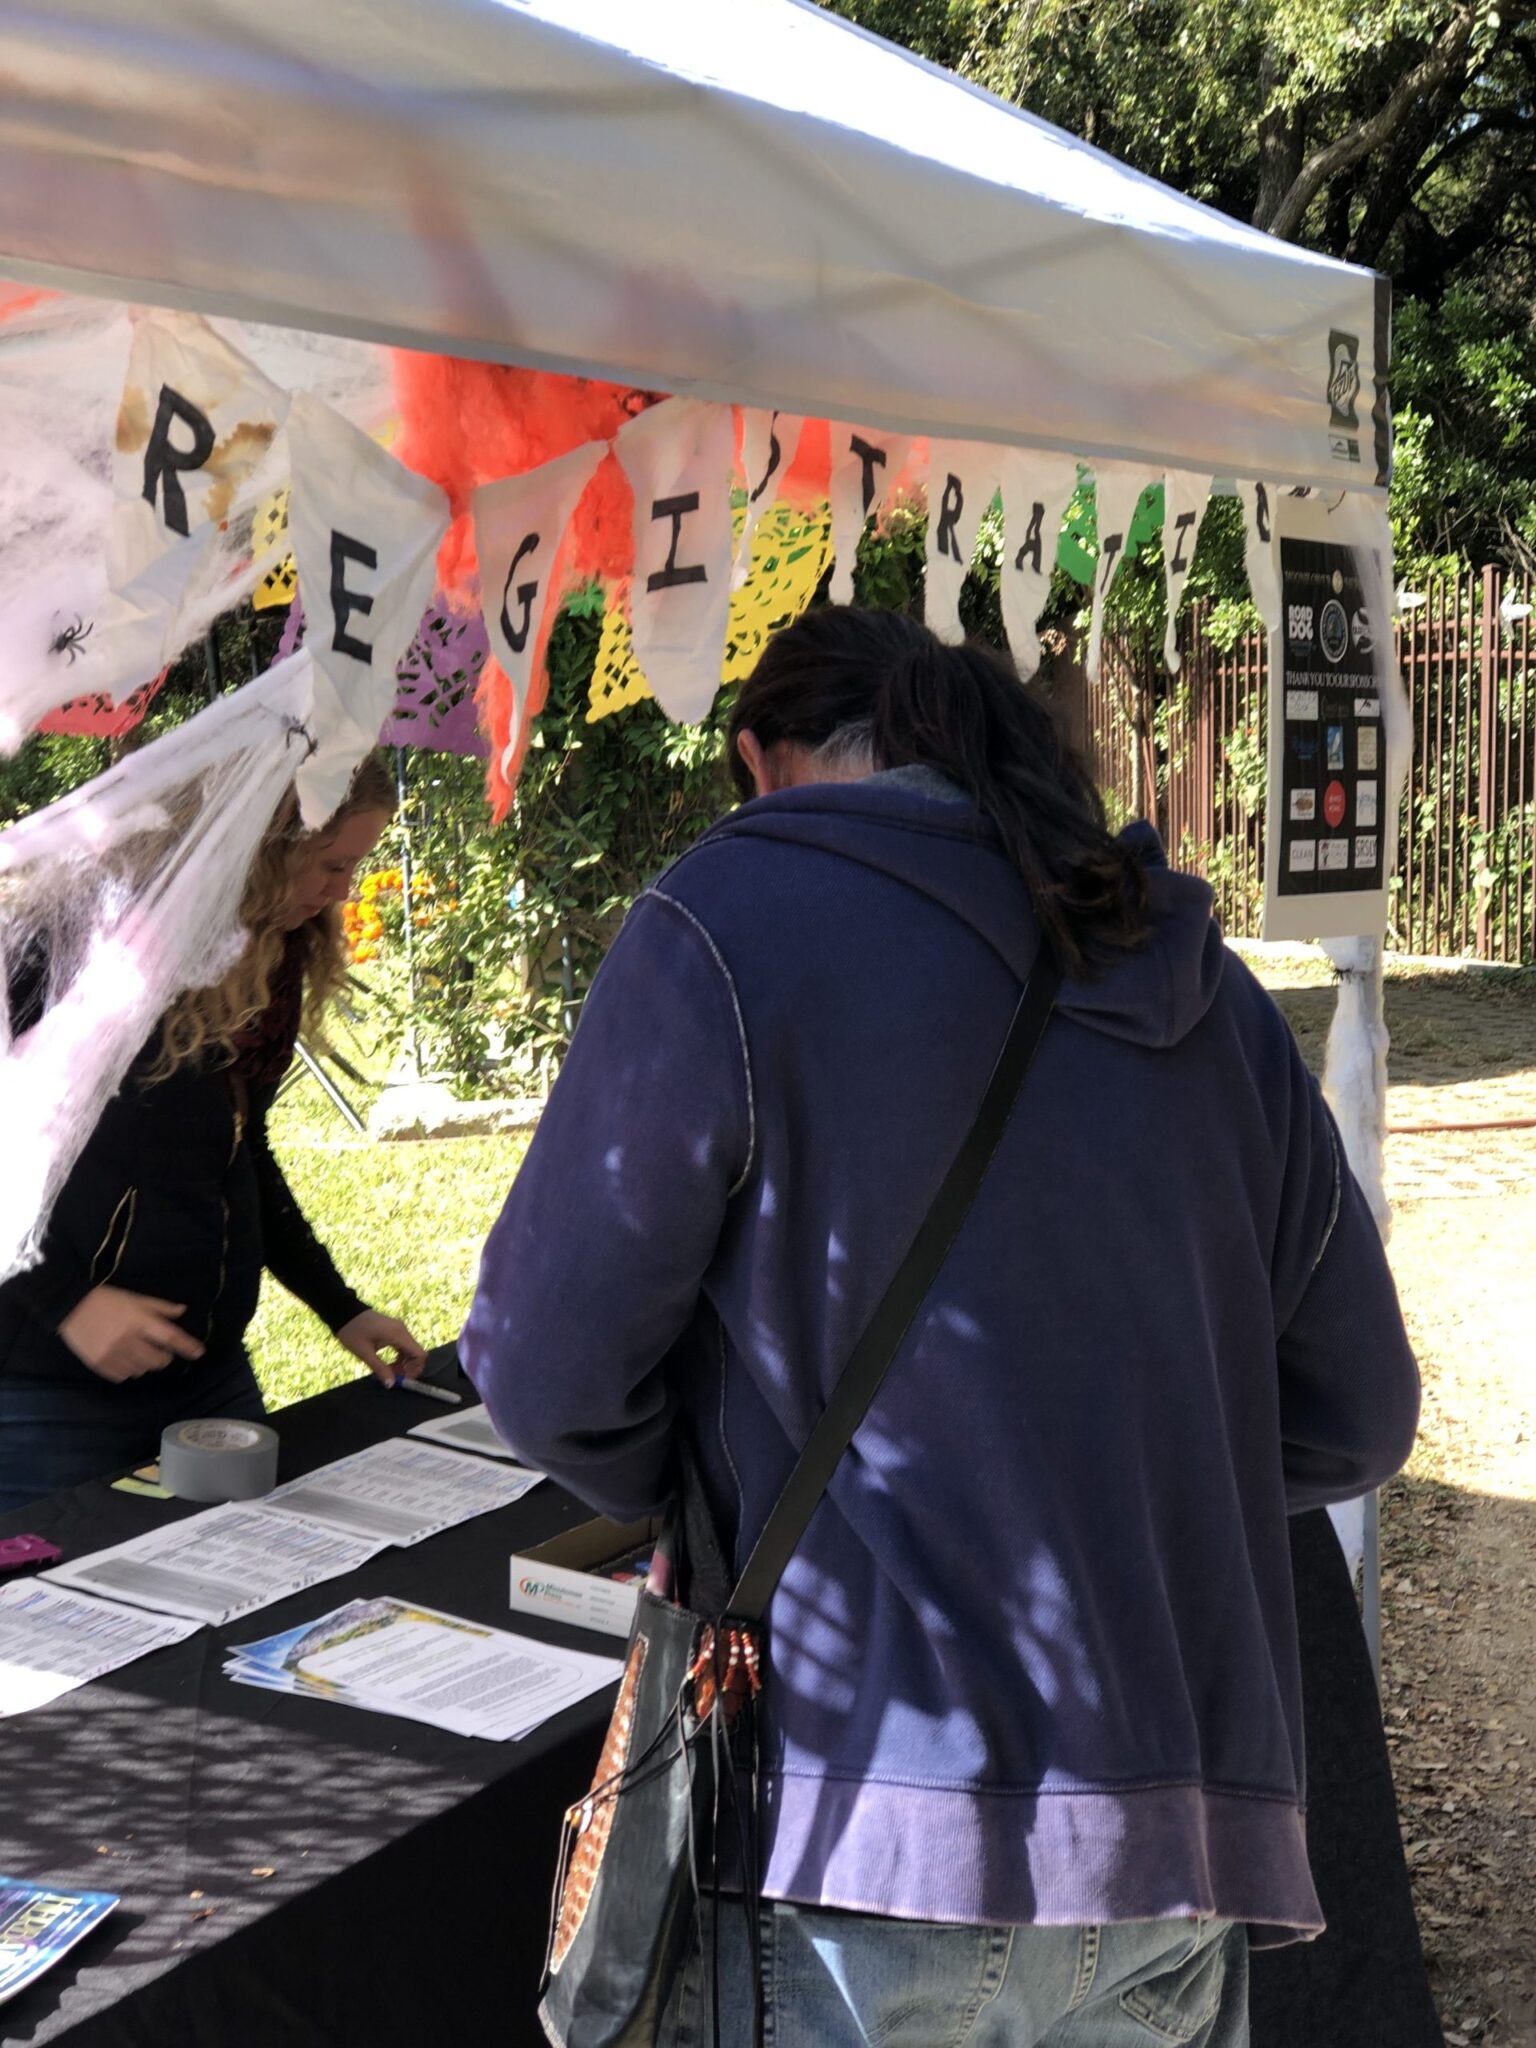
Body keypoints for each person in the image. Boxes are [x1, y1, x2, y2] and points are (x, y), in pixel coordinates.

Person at [461, 606, 1420, 2047]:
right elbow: (1359, 1410)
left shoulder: (727, 920)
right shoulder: (1198, 983)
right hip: (1181, 1839)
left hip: (867, 1833)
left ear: (758, 760)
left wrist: (716, 1494)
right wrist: (1129, 1491)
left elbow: (542, 1362)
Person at [0, 753, 426, 1513]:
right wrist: (69, 1303)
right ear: (259, 849)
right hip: (45, 1391)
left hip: (206, 1376)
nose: (343, 892)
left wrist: (340, 1306)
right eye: (331, 865)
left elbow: (239, 1150)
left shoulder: (271, 947)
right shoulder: (72, 945)